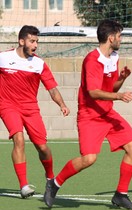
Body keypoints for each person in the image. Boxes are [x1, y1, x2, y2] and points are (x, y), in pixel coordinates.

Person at [44, 19, 132, 210]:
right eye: (119, 36)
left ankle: (121, 194)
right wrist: (119, 96)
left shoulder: (114, 57)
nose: (121, 39)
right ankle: (54, 184)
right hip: (89, 115)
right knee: (89, 159)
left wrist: (121, 79)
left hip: (107, 113)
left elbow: (109, 87)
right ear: (111, 37)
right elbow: (93, 92)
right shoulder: (92, 60)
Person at [0, 25, 70, 198]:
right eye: (32, 41)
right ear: (21, 41)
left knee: (43, 147)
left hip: (30, 109)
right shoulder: (3, 58)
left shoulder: (39, 64)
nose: (35, 45)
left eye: (37, 41)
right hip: (8, 105)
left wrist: (62, 104)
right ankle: (24, 185)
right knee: (18, 139)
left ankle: (50, 178)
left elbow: (52, 89)